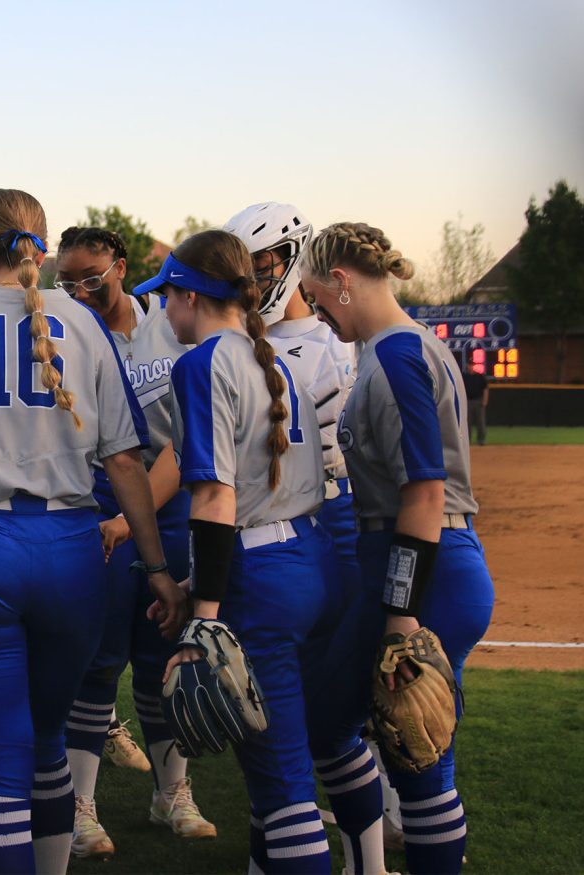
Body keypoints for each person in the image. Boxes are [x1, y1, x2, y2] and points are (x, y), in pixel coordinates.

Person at [0, 188, 186, 875]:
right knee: (50, 743)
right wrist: (154, 566)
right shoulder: (85, 325)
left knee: (0, 765)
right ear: (44, 246)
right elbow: (124, 460)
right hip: (70, 550)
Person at [299, 222, 494, 875]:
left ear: (343, 282)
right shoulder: (402, 347)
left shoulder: (400, 354)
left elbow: (426, 494)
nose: (318, 311)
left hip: (423, 568)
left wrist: (400, 614)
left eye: (318, 297)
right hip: (431, 563)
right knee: (407, 748)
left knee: (405, 752)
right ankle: (368, 864)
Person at [144, 230, 338, 874]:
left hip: (260, 577)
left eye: (168, 295)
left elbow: (214, 502)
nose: (164, 311)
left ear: (192, 295)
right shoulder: (275, 356)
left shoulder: (201, 363)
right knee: (278, 774)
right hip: (312, 561)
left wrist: (205, 612)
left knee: (284, 789)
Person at [225, 203, 393, 871]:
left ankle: (363, 858)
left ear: (292, 255)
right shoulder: (253, 340)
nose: (255, 275)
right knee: (299, 729)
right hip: (303, 542)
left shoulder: (329, 347)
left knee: (315, 730)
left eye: (263, 261)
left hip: (317, 537)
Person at [52, 226, 213, 859]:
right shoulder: (59, 327)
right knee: (97, 661)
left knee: (161, 655)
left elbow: (183, 443)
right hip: (93, 504)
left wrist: (132, 516)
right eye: (67, 280)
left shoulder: (169, 327)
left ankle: (172, 792)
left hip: (165, 508)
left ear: (121, 268)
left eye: (91, 276)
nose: (79, 290)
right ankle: (79, 808)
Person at [462, 363, 488, 446]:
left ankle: (481, 440)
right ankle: (468, 441)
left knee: (480, 422)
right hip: (468, 402)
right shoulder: (465, 377)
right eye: (469, 365)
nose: (470, 366)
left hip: (478, 401)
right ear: (467, 366)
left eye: (472, 365)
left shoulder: (480, 377)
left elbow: (485, 389)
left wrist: (485, 400)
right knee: (467, 423)